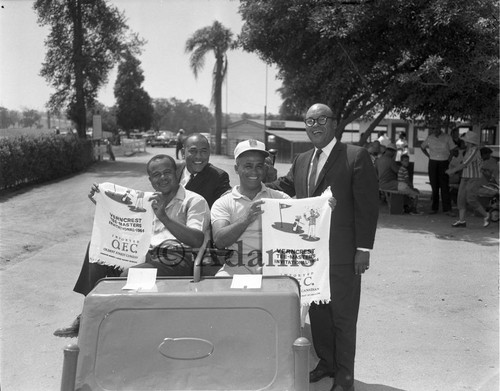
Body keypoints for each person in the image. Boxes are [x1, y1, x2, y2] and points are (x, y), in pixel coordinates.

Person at [267, 103, 379, 391]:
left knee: (343, 317)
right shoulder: (303, 159)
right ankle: (327, 363)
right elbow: (286, 186)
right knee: (319, 315)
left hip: (343, 254)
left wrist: (363, 249)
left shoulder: (356, 156)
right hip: (311, 258)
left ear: (334, 123)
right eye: (309, 121)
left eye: (320, 119)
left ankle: (344, 378)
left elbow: (367, 207)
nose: (314, 125)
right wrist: (257, 181)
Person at [54, 155, 210, 338]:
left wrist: (164, 218)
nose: (162, 178)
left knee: (130, 275)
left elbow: (197, 240)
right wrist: (104, 203)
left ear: (177, 173)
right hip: (143, 252)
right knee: (97, 248)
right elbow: (124, 224)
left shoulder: (194, 201)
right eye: (156, 175)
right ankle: (89, 312)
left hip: (176, 257)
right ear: (150, 180)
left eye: (167, 172)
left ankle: (114, 325)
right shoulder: (145, 200)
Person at [210, 140, 291, 276]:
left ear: (265, 169)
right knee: (221, 287)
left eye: (259, 166)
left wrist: (324, 207)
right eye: (248, 166)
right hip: (237, 263)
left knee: (291, 291)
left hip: (275, 262)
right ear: (237, 168)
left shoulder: (280, 198)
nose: (254, 171)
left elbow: (304, 218)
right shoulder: (223, 202)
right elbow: (219, 241)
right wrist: (246, 219)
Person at [445, 132, 490, 228]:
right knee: (460, 199)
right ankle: (462, 221)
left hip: (473, 178)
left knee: (471, 199)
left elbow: (465, 164)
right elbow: (463, 164)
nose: (464, 141)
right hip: (465, 177)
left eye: (465, 140)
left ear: (469, 141)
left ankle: (486, 215)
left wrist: (452, 170)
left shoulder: (474, 150)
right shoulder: (468, 150)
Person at [177, 133, 231, 208]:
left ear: (209, 152)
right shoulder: (173, 170)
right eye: (193, 151)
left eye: (203, 151)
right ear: (183, 153)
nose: (198, 156)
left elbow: (224, 208)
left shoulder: (218, 177)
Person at [420, 126, 456, 215]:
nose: (435, 130)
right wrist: (428, 156)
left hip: (444, 161)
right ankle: (434, 208)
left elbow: (453, 150)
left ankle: (447, 209)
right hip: (433, 162)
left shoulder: (447, 137)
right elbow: (422, 147)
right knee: (434, 185)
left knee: (444, 186)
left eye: (436, 128)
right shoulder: (430, 137)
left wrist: (449, 160)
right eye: (433, 128)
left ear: (440, 128)